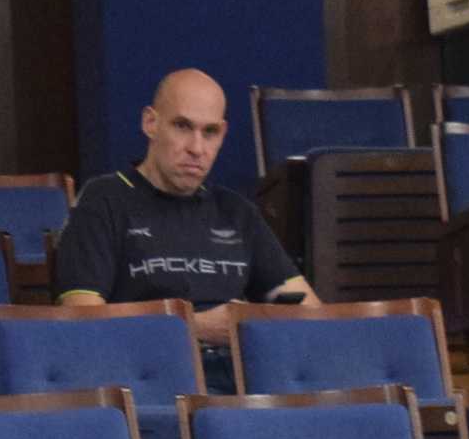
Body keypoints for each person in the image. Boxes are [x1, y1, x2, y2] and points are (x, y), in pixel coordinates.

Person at [50, 67, 316, 388]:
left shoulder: (234, 210)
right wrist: (196, 326)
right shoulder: (104, 199)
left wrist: (255, 325)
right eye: (182, 126)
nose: (196, 148)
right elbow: (83, 322)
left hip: (245, 380)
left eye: (210, 132)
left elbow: (310, 313)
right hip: (150, 379)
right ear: (151, 123)